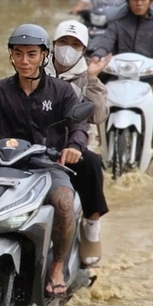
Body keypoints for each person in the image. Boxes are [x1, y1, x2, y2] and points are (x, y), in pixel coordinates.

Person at [0, 25, 88, 296]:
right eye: (18, 54)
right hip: (5, 167)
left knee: (63, 201)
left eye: (31, 54)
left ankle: (57, 266)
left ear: (44, 56)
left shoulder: (62, 91)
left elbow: (79, 126)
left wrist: (74, 146)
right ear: (11, 56)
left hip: (48, 167)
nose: (24, 61)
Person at [88, 0, 153, 159]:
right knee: (99, 91)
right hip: (117, 72)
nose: (139, 3)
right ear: (128, 1)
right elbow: (105, 42)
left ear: (151, 2)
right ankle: (101, 140)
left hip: (146, 75)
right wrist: (97, 55)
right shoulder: (117, 24)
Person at [50, 21, 109, 266]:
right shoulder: (34, 67)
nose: (68, 48)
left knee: (92, 163)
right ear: (52, 44)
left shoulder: (87, 76)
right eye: (63, 42)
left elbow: (98, 116)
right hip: (34, 143)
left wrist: (93, 79)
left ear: (83, 49)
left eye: (75, 45)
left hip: (72, 144)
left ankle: (92, 226)